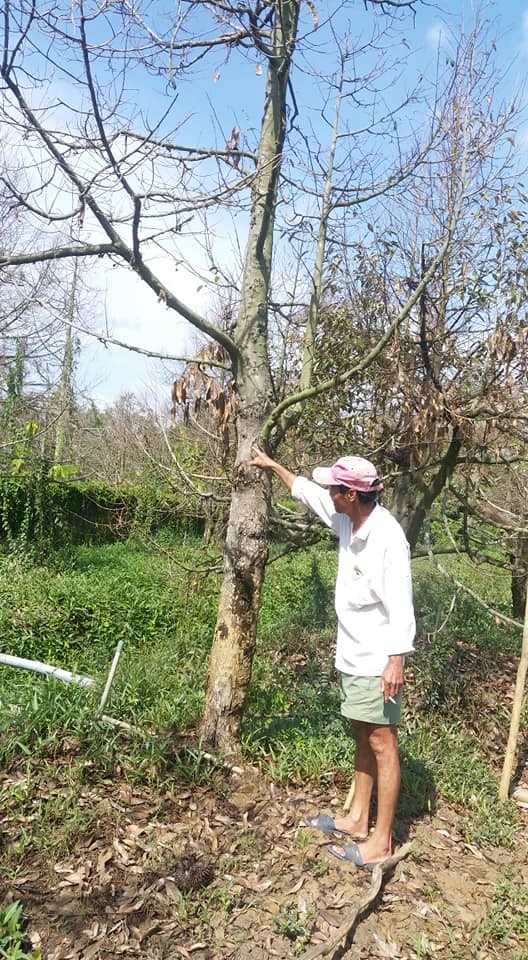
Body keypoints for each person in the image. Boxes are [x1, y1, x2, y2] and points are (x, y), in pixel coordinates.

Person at [249, 447, 415, 869]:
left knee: (382, 741)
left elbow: (401, 604)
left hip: (378, 659)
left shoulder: (387, 538)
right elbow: (306, 491)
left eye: (335, 488)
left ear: (352, 494)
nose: (330, 493)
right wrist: (272, 466)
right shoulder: (347, 518)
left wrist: (396, 659)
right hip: (353, 654)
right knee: (362, 733)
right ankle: (358, 818)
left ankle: (381, 839)